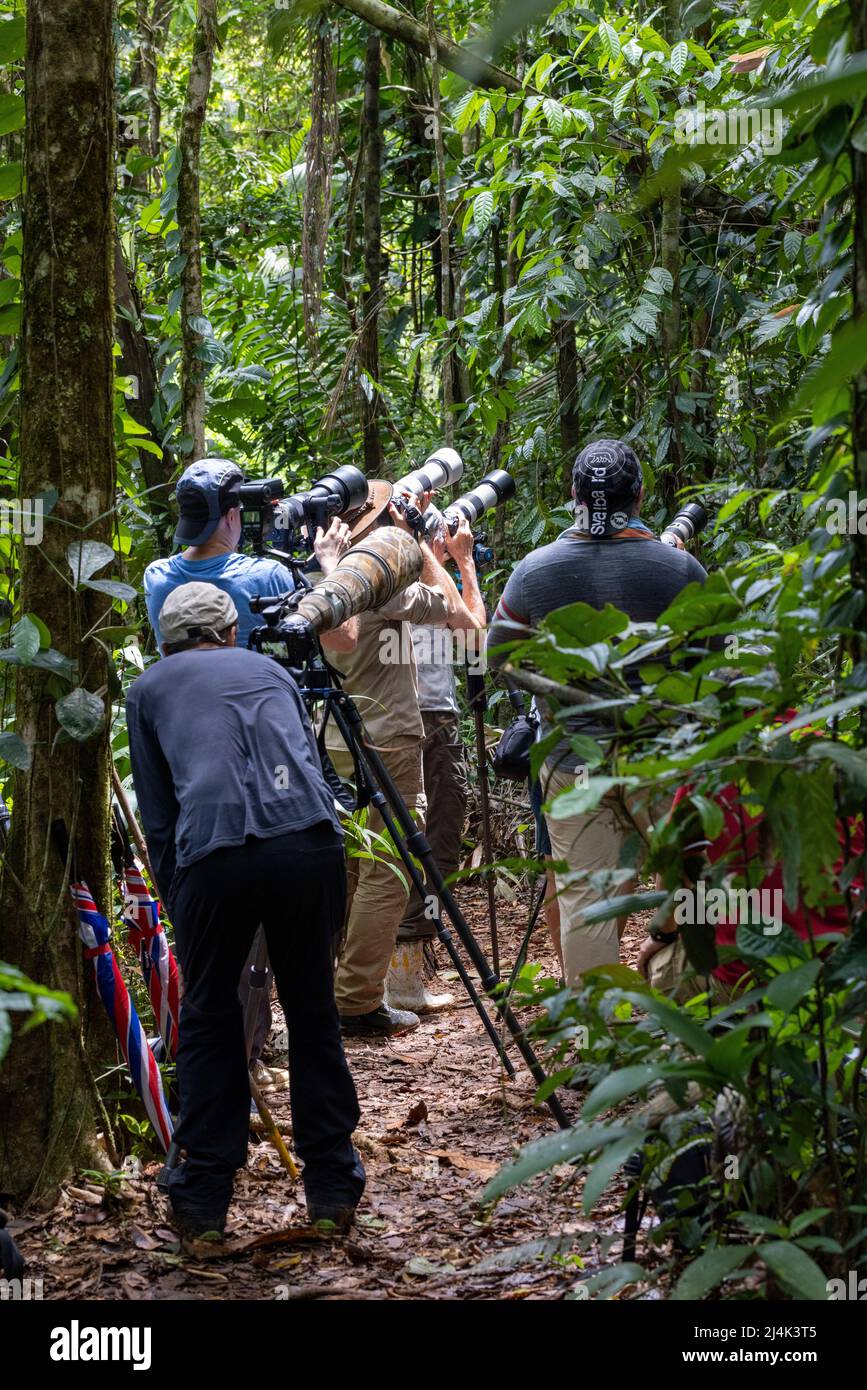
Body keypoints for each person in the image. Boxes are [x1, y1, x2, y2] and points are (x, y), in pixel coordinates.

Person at [126, 581, 365, 1239]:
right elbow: (311, 771)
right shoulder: (271, 670)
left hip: (216, 854)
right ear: (231, 632)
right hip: (308, 842)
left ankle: (202, 1198)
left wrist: (183, 903)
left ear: (163, 640)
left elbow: (159, 817)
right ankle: (331, 1185)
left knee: (208, 1015)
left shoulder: (148, 689)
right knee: (313, 1007)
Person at [144, 457, 358, 1079]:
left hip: (191, 756)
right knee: (275, 907)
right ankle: (257, 1043)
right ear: (234, 514)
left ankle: (222, 1045)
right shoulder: (265, 573)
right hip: (272, 751)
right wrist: (330, 567)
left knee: (219, 902)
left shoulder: (161, 577)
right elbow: (338, 640)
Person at [486, 438, 710, 988]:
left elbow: (500, 657)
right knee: (693, 880)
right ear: (639, 495)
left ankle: (596, 1050)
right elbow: (712, 665)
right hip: (662, 756)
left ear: (573, 496)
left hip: (572, 760)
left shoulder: (536, 571)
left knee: (588, 898)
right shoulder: (680, 569)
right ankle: (688, 1025)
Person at [323, 480, 484, 1036]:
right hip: (387, 739)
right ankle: (358, 999)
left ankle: (338, 988)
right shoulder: (382, 587)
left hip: (336, 739)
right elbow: (468, 626)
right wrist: (428, 550)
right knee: (389, 869)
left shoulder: (322, 570)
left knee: (347, 866)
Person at [637, 783, 859, 1000]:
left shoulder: (712, 770)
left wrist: (662, 935)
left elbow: (672, 860)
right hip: (848, 963)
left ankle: (717, 1029)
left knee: (660, 968)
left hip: (747, 971)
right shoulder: (848, 767)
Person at [391, 523, 487, 1012]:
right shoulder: (387, 566)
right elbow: (470, 630)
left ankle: (404, 978)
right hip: (405, 719)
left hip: (434, 717)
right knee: (409, 844)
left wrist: (461, 564)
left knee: (442, 839)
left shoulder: (435, 581)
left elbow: (476, 641)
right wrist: (431, 550)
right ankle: (387, 979)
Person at [144, 457, 357, 655]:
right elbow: (345, 640)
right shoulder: (266, 576)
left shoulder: (156, 577)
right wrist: (334, 564)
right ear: (231, 516)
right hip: (260, 695)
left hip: (182, 694)